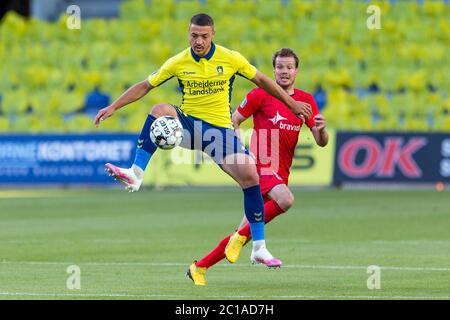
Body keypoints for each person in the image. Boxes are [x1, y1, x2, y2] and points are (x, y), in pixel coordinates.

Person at [94, 14, 312, 270]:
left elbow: (263, 81)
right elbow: (145, 85)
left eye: (204, 36)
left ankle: (258, 248)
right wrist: (114, 106)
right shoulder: (179, 61)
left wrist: (291, 103)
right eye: (194, 35)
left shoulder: (230, 58)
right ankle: (136, 172)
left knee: (251, 177)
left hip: (219, 132)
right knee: (160, 109)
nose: (198, 41)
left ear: (213, 35)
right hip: (189, 125)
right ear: (188, 34)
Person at [187, 48, 329, 286]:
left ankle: (198, 267)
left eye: (289, 67)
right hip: (261, 166)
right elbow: (234, 120)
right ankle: (254, 247)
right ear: (273, 70)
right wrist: (240, 151)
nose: (284, 72)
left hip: (280, 172)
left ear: (296, 71)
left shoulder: (304, 101)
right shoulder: (259, 95)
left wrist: (322, 128)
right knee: (285, 200)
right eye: (279, 67)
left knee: (241, 233)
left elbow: (320, 141)